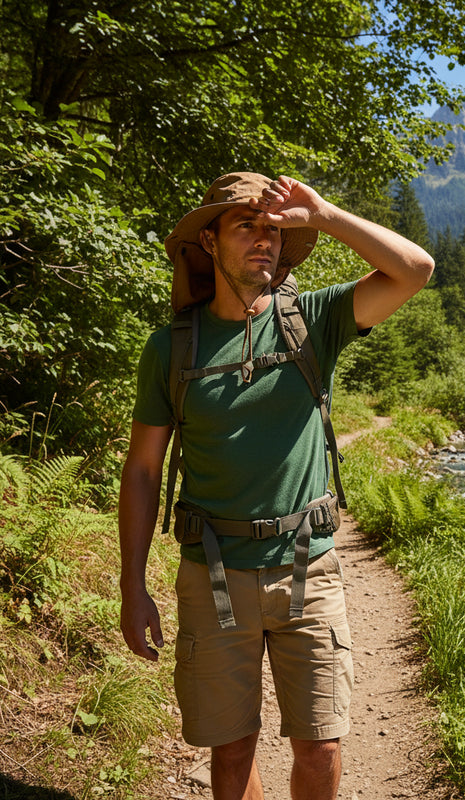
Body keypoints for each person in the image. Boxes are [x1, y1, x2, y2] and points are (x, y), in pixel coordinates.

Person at [118, 171, 434, 800]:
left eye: (272, 230)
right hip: (212, 576)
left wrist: (323, 214)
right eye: (246, 226)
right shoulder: (171, 347)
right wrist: (132, 584)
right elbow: (143, 470)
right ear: (209, 240)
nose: (264, 240)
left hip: (307, 571)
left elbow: (414, 269)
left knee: (320, 750)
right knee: (231, 753)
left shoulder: (314, 319)